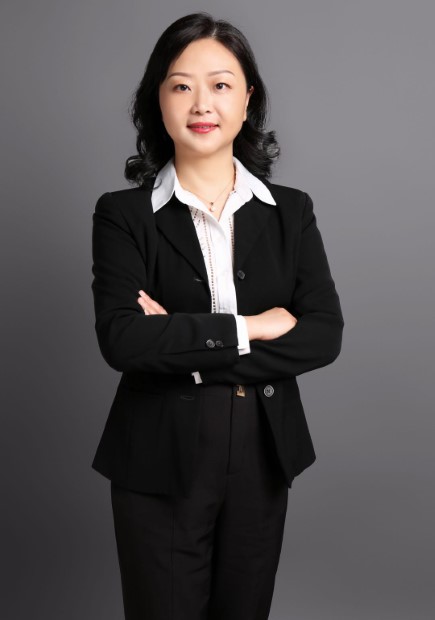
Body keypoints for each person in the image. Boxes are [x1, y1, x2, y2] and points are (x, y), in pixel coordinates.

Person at [90, 11, 344, 620]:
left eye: (221, 85)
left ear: (247, 98)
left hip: (263, 451)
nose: (201, 103)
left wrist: (181, 345)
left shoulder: (291, 212)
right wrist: (251, 326)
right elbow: (123, 341)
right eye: (181, 85)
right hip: (158, 456)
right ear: (157, 99)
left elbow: (322, 335)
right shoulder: (122, 215)